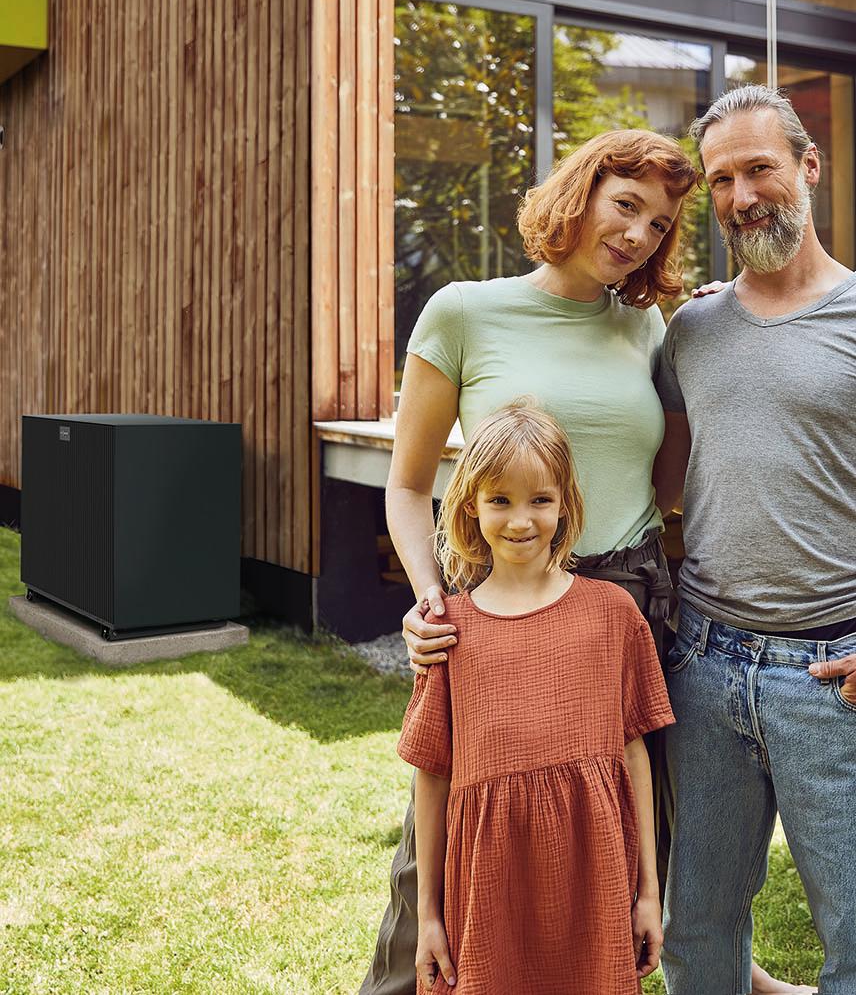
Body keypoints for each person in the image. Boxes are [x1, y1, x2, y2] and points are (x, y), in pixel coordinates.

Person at [361, 127, 803, 995]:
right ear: (579, 195)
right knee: (451, 835)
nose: (640, 234)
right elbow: (409, 486)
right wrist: (429, 600)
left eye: (661, 222)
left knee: (646, 819)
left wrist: (715, 331)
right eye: (625, 205)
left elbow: (667, 481)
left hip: (629, 593)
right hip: (501, 598)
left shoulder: (648, 326)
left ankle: (720, 968)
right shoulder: (462, 311)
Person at [654, 84, 855, 995]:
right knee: (696, 928)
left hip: (832, 675)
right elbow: (669, 477)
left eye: (761, 168)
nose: (743, 196)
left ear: (809, 168)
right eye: (723, 178)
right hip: (702, 664)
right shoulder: (690, 328)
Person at [398, 401, 674, 993]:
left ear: (566, 503)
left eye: (539, 500)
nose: (520, 521)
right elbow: (433, 778)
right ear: (469, 505)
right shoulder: (449, 630)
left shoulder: (612, 615)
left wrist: (649, 892)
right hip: (490, 899)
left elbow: (634, 759)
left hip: (594, 890)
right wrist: (428, 917)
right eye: (500, 500)